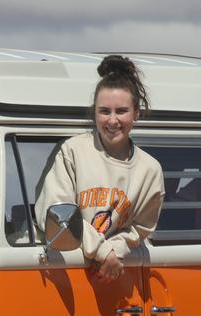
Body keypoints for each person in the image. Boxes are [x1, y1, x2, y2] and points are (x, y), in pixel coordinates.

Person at [35, 55, 165, 283]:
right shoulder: (72, 151)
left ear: (136, 113)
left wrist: (113, 250)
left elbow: (139, 230)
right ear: (94, 113)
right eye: (104, 111)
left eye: (121, 111)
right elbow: (55, 212)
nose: (112, 120)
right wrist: (103, 252)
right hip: (68, 270)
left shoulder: (150, 170)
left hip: (118, 279)